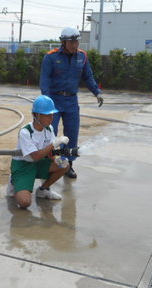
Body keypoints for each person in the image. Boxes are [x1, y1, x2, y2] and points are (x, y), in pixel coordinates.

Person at [40, 26, 103, 179]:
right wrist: (46, 102)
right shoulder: (51, 57)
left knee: (72, 134)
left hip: (71, 101)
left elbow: (88, 77)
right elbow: (45, 81)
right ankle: (48, 165)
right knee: (50, 133)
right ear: (63, 42)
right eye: (72, 41)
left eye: (77, 41)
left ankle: (68, 165)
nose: (75, 45)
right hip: (54, 100)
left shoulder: (82, 56)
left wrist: (97, 92)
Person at [7, 95, 70, 209]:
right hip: (23, 166)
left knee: (65, 166)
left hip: (39, 163)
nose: (51, 117)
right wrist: (53, 144)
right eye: (47, 115)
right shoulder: (25, 132)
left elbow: (50, 152)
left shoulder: (49, 128)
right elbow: (35, 156)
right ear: (36, 115)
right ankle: (14, 181)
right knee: (25, 203)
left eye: (52, 114)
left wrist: (56, 159)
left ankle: (43, 190)